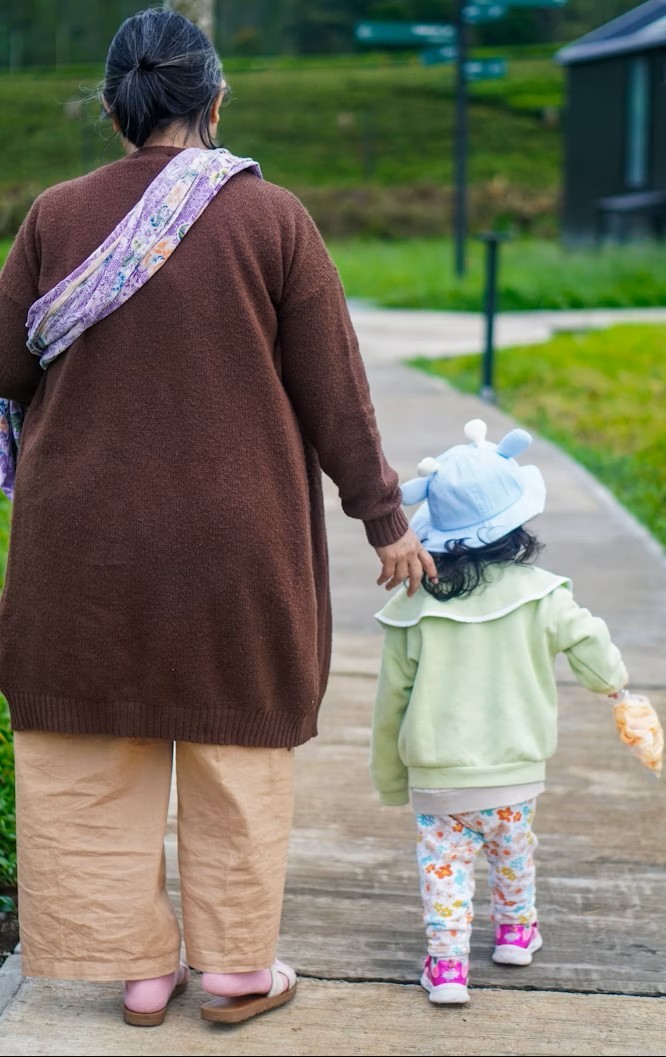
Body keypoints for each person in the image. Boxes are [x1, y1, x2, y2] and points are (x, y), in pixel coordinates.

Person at [0, 8, 436, 1027]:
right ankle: (237, 967)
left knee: (91, 749)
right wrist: (385, 520)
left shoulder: (55, 216)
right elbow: (336, 394)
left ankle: (137, 969)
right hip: (235, 547)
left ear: (113, 111)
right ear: (216, 100)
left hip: (80, 550)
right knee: (235, 749)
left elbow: (5, 367)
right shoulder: (273, 219)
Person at [371, 418, 631, 1005]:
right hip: (514, 772)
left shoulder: (414, 607)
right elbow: (590, 641)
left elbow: (391, 701)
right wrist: (613, 685)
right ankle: (516, 932)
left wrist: (389, 778)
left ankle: (448, 968)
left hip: (439, 779)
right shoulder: (544, 595)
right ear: (517, 525)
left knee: (444, 869)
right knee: (514, 852)